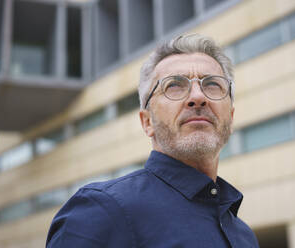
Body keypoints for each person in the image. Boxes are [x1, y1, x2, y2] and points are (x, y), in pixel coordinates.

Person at [46, 34, 259, 248]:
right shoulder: (102, 210)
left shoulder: (244, 235)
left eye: (212, 84)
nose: (198, 96)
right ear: (147, 121)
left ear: (230, 119)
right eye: (174, 85)